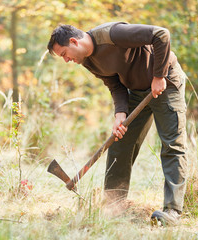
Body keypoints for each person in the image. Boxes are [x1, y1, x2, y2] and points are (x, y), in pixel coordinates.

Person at [47, 22, 188, 226]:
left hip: (167, 83)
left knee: (172, 145)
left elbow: (161, 34)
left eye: (64, 54)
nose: (67, 60)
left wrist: (159, 75)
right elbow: (114, 84)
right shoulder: (86, 60)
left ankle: (173, 211)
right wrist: (120, 114)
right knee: (119, 143)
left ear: (73, 41)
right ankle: (114, 207)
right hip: (137, 92)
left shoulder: (113, 34)